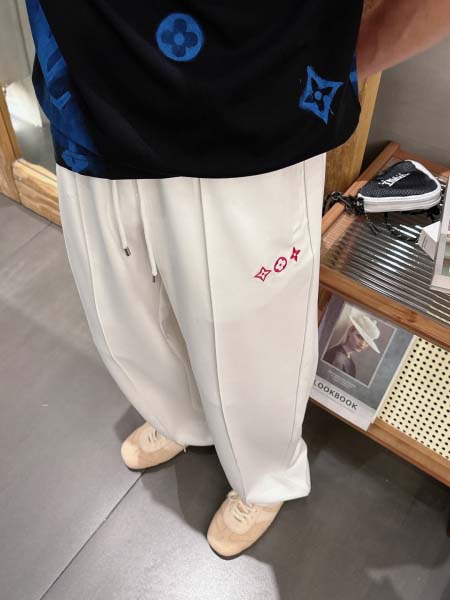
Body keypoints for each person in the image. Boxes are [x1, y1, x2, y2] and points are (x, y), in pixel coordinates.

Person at [24, 0, 450, 558]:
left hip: (251, 103)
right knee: (121, 309)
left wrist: (337, 59)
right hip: (85, 85)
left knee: (254, 333)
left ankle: (265, 472)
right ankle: (179, 416)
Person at [323, 309, 381, 378]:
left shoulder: (351, 363)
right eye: (359, 337)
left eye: (367, 342)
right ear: (350, 331)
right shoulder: (337, 356)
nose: (362, 344)